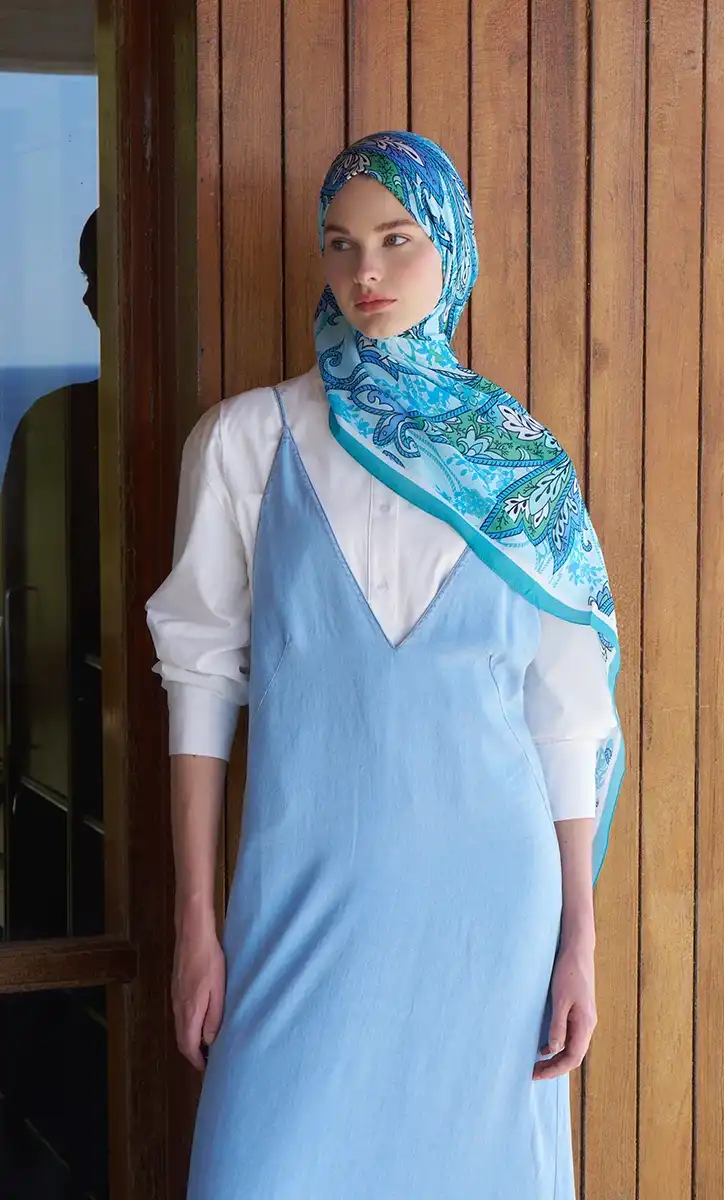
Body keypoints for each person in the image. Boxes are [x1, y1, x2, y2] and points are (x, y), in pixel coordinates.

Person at [146, 133, 624, 1198]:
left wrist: (576, 943)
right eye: (340, 243)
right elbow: (199, 681)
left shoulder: (523, 467)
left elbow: (563, 718)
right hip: (299, 908)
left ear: (451, 250)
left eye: (397, 240)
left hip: (491, 917)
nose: (365, 270)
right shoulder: (245, 442)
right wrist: (195, 924)